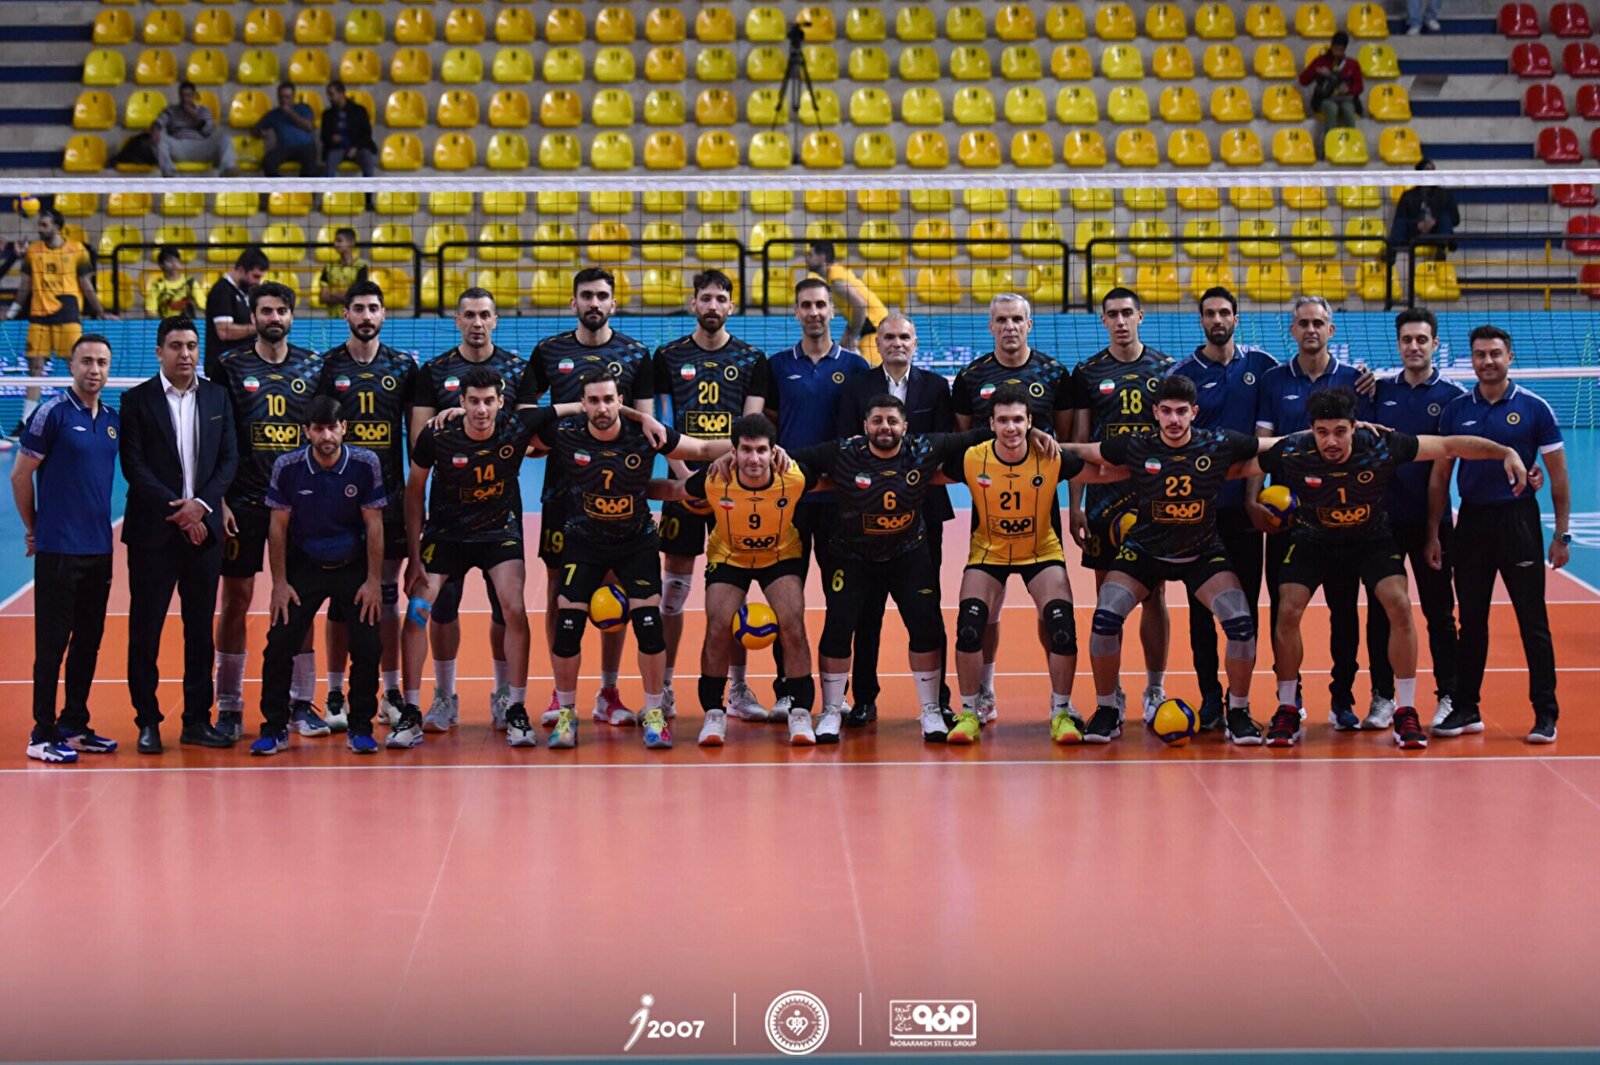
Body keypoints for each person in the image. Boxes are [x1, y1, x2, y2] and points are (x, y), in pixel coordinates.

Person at [1248, 387, 1528, 748]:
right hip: (1313, 539)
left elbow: (1449, 445)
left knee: (1399, 603)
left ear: (1355, 427)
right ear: (1311, 430)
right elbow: (1241, 463)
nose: (1331, 442)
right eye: (1322, 432)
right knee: (1287, 609)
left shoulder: (1381, 444)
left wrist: (1505, 451)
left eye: (1340, 431)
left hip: (1370, 538)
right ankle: (1288, 707)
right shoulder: (1294, 449)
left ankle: (1405, 710)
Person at [1062, 375, 1269, 745]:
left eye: (1181, 412)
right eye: (1167, 411)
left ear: (1194, 412)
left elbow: (1272, 446)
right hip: (1145, 549)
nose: (1174, 419)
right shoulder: (1137, 444)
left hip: (1201, 551)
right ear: (1155, 412)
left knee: (1240, 623)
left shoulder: (1217, 443)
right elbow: (1086, 451)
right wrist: (1038, 440)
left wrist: (1330, 435)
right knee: (1105, 619)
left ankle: (1238, 711)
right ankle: (1107, 708)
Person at [397, 369, 595, 749]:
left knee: (514, 608)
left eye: (489, 401)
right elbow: (414, 490)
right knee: (419, 609)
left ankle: (515, 706)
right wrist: (413, 555)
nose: (481, 409)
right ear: (461, 402)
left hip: (498, 533)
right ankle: (410, 710)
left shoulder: (515, 426)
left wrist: (623, 412)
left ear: (501, 402)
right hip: (446, 534)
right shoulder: (437, 436)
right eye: (473, 401)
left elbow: (563, 409)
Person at [793, 396, 998, 745]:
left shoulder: (924, 448)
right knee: (839, 627)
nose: (884, 427)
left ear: (905, 426)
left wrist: (1031, 433)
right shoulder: (843, 452)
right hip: (852, 555)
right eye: (877, 421)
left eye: (891, 420)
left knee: (925, 627)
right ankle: (831, 710)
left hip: (908, 554)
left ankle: (930, 709)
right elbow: (796, 459)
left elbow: (974, 437)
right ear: (865, 426)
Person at [542, 371, 730, 751]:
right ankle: (566, 714)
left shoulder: (646, 435)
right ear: (583, 404)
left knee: (649, 626)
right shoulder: (565, 434)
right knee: (567, 626)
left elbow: (702, 448)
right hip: (583, 542)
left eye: (608, 399)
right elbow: (518, 427)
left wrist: (753, 445)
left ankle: (654, 714)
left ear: (620, 401)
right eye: (593, 400)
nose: (601, 407)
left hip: (636, 543)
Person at [943, 386, 1113, 745]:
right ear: (991, 424)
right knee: (970, 627)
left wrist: (1151, 469)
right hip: (989, 552)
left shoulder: (1049, 456)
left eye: (1018, 420)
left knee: (1061, 627)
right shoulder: (972, 458)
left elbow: (1099, 472)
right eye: (1003, 420)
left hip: (1040, 551)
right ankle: (970, 712)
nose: (1011, 427)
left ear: (1030, 422)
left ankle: (1061, 712)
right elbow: (927, 473)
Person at [526, 267, 655, 729]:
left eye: (602, 295)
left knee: (615, 591)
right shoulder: (548, 351)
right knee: (560, 592)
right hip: (563, 491)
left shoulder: (636, 354)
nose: (594, 303)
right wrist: (560, 424)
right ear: (573, 303)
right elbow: (526, 414)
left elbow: (646, 424)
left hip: (616, 491)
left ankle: (608, 691)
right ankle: (559, 693)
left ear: (614, 304)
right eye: (586, 295)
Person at [408, 288, 541, 733]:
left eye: (485, 314)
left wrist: (491, 436)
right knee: (440, 607)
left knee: (506, 607)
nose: (477, 322)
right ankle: (444, 696)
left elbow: (529, 437)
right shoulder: (434, 371)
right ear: (457, 320)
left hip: (500, 513)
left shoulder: (518, 370)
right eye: (469, 314)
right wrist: (452, 425)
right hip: (448, 517)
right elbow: (420, 441)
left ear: (496, 319)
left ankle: (505, 696)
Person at [1432, 326, 1571, 743]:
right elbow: (1440, 477)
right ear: (1471, 360)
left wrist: (1561, 535)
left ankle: (1545, 713)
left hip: (1518, 522)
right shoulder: (1456, 410)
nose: (1487, 361)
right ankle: (1466, 708)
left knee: (1533, 621)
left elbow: (1558, 476)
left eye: (1495, 353)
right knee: (1471, 621)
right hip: (1472, 521)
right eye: (1480, 354)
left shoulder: (1534, 408)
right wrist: (1433, 531)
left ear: (1509, 357)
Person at [651, 269, 770, 723]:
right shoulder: (668, 356)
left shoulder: (751, 359)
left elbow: (750, 430)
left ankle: (736, 689)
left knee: (733, 592)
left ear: (731, 306)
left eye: (721, 299)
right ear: (693, 303)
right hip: (683, 483)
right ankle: (663, 688)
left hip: (733, 487)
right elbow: (663, 426)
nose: (713, 305)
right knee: (672, 594)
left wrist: (718, 480)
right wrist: (687, 482)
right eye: (706, 298)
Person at [211, 282, 327, 741]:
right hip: (243, 502)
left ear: (291, 316)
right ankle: (229, 705)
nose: (274, 317)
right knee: (235, 600)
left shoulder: (313, 366)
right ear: (253, 316)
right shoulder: (230, 366)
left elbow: (324, 435)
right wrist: (218, 498)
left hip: (299, 505)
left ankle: (301, 703)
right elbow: (215, 435)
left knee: (300, 602)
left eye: (281, 310)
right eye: (266, 310)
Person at [952, 294, 1075, 723]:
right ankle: (983, 692)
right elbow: (962, 442)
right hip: (989, 510)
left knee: (1054, 613)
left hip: (1040, 508)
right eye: (1001, 320)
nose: (1009, 327)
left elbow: (1065, 444)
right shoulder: (970, 378)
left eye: (1017, 319)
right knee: (982, 614)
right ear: (991, 326)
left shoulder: (1054, 373)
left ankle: (1060, 702)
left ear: (1029, 324)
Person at [120, 317, 238, 754]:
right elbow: (133, 466)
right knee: (145, 631)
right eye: (175, 346)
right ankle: (147, 721)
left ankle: (196, 720)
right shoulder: (136, 400)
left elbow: (229, 459)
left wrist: (201, 506)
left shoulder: (217, 396)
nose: (185, 353)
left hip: (202, 535)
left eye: (191, 345)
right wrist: (180, 512)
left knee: (199, 631)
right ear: (159, 352)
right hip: (153, 533)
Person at [1249, 295, 1367, 729]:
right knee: (1284, 609)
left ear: (1331, 330)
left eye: (1318, 322)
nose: (1311, 329)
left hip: (1340, 516)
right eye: (1303, 323)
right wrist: (1252, 499)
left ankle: (1342, 699)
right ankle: (1290, 698)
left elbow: (1370, 443)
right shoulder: (1274, 381)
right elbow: (1261, 444)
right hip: (1288, 517)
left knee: (1344, 611)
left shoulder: (1355, 380)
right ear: (1292, 330)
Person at [251, 397, 387, 755]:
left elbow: (374, 525)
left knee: (368, 646)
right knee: (279, 643)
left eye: (332, 427)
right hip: (305, 566)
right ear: (306, 432)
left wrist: (373, 581)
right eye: (318, 429)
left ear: (344, 428)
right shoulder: (287, 466)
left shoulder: (365, 463)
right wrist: (280, 584)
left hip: (352, 566)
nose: (326, 436)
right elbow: (277, 527)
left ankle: (361, 727)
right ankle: (274, 728)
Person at [1169, 287, 1278, 730]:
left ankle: (1240, 701)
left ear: (1236, 318)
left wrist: (1365, 378)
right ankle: (1210, 697)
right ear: (1201, 320)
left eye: (1225, 313)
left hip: (1244, 511)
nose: (1218, 320)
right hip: (1198, 512)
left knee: (1246, 609)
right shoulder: (1182, 374)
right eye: (1210, 313)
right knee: (1201, 611)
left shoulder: (1263, 366)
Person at [836, 313, 954, 724]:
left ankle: (938, 699)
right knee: (866, 614)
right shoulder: (857, 388)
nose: (897, 343)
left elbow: (943, 444)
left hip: (924, 512)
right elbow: (845, 445)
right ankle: (864, 698)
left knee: (927, 611)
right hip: (867, 516)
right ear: (879, 342)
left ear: (915, 343)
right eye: (889, 336)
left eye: (904, 337)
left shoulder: (936, 387)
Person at [673, 414, 817, 747]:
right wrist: (629, 489)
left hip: (779, 555)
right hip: (730, 557)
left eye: (761, 450)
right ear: (733, 452)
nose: (754, 458)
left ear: (773, 451)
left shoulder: (793, 477)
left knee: (793, 624)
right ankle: (714, 712)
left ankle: (800, 712)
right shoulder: (714, 479)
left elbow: (830, 479)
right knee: (717, 626)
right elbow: (674, 490)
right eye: (746, 450)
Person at [763, 277, 873, 708]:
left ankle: (834, 693)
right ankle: (788, 691)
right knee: (786, 602)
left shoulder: (857, 367)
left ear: (832, 311)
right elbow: (768, 426)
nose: (813, 312)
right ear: (796, 312)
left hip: (838, 503)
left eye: (820, 305)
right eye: (805, 305)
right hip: (789, 502)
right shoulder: (777, 366)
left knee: (840, 601)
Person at [11, 334, 120, 763]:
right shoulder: (51, 413)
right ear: (72, 366)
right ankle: (42, 732)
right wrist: (35, 527)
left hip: (99, 549)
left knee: (88, 642)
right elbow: (20, 475)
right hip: (59, 549)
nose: (94, 370)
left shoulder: (111, 419)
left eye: (102, 363)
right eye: (86, 361)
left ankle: (74, 724)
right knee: (52, 644)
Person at [1068, 287, 1174, 727]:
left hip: (1150, 497)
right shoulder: (1088, 372)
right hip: (1103, 499)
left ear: (1140, 316)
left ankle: (1155, 688)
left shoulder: (1165, 368)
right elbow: (1079, 442)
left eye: (1127, 313)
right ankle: (1110, 695)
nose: (1120, 321)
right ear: (1103, 320)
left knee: (1155, 594)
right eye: (1112, 314)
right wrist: (1074, 506)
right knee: (1107, 598)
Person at [315, 279, 417, 732]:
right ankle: (335, 692)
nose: (366, 315)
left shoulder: (403, 366)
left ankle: (390, 692)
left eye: (373, 307)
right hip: (339, 502)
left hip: (389, 499)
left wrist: (415, 500)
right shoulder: (327, 366)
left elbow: (415, 439)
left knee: (388, 595)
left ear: (383, 314)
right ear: (346, 315)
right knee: (340, 601)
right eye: (358, 308)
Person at [1357, 309, 1465, 731]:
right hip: (1382, 523)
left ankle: (1450, 695)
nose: (1414, 347)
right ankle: (1383, 697)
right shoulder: (1379, 391)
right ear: (1398, 344)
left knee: (1440, 613)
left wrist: (1433, 531)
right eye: (1407, 340)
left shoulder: (1453, 397)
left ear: (1435, 344)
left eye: (1422, 340)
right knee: (1381, 611)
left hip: (1431, 523)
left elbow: (1449, 465)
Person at [4, 207, 113, 442]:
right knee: (35, 369)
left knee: (79, 367)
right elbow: (25, 286)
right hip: (38, 318)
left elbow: (86, 284)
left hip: (68, 317)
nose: (40, 229)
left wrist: (100, 311)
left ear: (57, 227)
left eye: (44, 225)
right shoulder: (33, 251)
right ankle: (26, 422)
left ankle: (91, 417)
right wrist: (11, 313)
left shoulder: (77, 250)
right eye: (40, 224)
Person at [805, 240, 888, 365]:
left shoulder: (836, 281)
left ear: (822, 258)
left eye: (810, 255)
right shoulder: (835, 274)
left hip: (877, 329)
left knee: (873, 372)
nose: (806, 259)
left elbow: (860, 305)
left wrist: (852, 336)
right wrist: (847, 336)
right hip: (869, 330)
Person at [203, 247, 269, 381]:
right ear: (241, 270)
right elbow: (224, 331)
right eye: (256, 276)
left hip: (243, 368)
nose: (258, 282)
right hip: (222, 370)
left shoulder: (247, 293)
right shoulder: (221, 291)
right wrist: (260, 327)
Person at [152, 81, 236, 177]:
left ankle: (227, 171)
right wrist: (155, 130)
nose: (185, 99)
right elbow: (158, 122)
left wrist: (194, 116)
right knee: (159, 138)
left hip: (200, 146)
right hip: (178, 146)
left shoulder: (203, 110)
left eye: (188, 96)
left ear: (193, 96)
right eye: (182, 95)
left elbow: (208, 132)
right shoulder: (171, 110)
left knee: (225, 138)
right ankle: (169, 173)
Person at [1388, 160, 1459, 263]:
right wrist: (1417, 225)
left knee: (1445, 218)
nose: (1431, 173)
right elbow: (1399, 220)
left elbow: (1455, 220)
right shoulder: (1408, 196)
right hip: (1414, 233)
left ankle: (1441, 250)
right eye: (1427, 170)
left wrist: (1435, 221)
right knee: (1400, 222)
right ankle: (1390, 253)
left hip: (1437, 232)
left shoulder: (1445, 194)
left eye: (1433, 170)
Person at [1299, 31, 1364, 132]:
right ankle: (1330, 139)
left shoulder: (1352, 64)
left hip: (1345, 98)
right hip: (1325, 98)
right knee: (1332, 108)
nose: (1337, 52)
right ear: (1332, 46)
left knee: (1348, 110)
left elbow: (1359, 86)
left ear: (1344, 49)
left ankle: (1352, 139)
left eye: (1340, 50)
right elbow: (1303, 81)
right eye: (1335, 49)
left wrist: (1349, 89)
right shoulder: (1321, 61)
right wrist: (1316, 70)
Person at [256, 83, 319, 178]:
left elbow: (309, 127)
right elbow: (255, 129)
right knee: (268, 161)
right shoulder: (274, 114)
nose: (284, 100)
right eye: (281, 97)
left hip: (305, 146)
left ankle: (303, 187)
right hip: (285, 148)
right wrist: (260, 132)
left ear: (293, 97)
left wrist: (290, 112)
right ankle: (281, 185)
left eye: (287, 97)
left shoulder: (304, 108)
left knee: (310, 168)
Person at [320, 79, 377, 179]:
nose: (329, 98)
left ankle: (369, 188)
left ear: (341, 93)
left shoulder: (359, 111)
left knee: (367, 157)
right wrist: (332, 138)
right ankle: (329, 188)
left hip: (358, 147)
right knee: (331, 160)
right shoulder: (327, 114)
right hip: (337, 147)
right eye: (328, 95)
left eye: (332, 94)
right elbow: (323, 136)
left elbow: (366, 134)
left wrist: (356, 147)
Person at [144, 247, 204, 320]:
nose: (174, 264)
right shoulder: (157, 286)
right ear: (161, 265)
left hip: (188, 323)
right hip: (167, 324)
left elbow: (203, 305)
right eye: (169, 261)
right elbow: (150, 312)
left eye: (176, 261)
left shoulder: (190, 282)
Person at [317, 228, 368, 310]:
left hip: (352, 316)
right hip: (332, 317)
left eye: (339, 241)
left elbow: (358, 297)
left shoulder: (361, 267)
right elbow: (322, 298)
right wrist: (346, 296)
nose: (335, 244)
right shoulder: (329, 267)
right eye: (335, 241)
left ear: (351, 243)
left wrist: (333, 295)